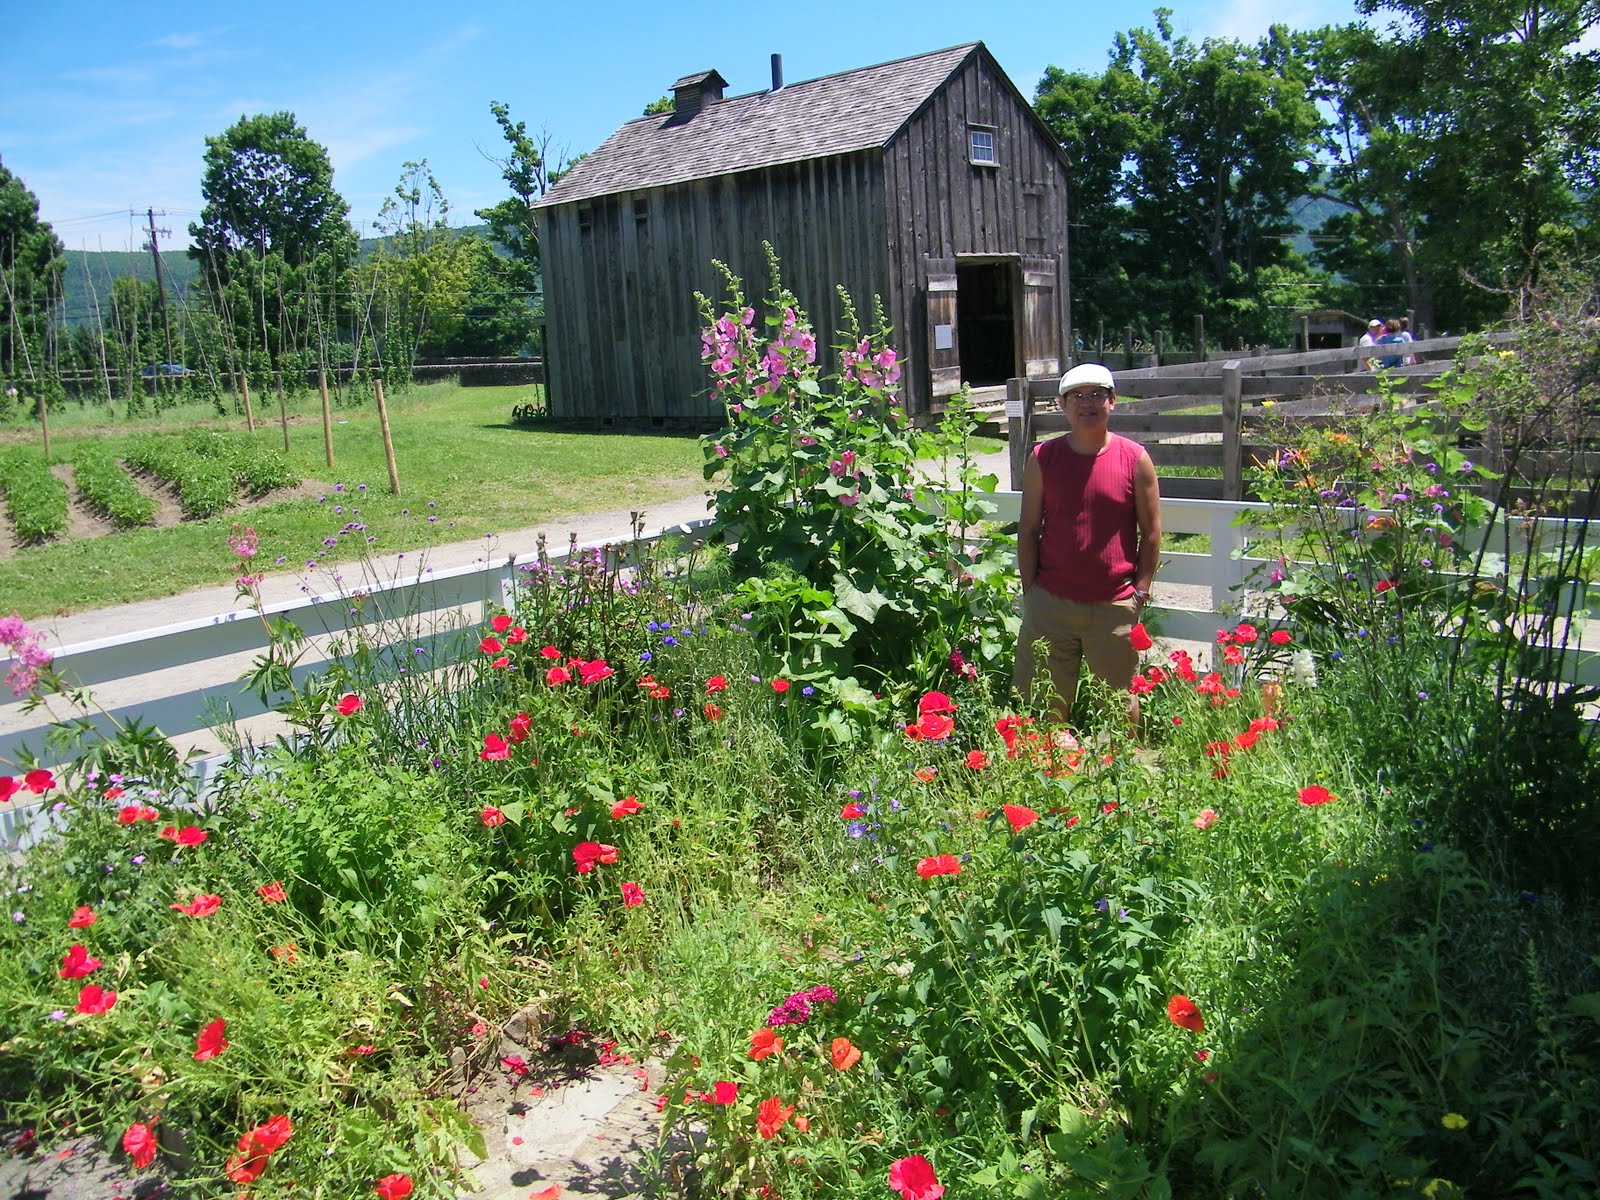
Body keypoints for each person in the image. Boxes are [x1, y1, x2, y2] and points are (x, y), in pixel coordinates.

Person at [1015, 363, 1162, 727]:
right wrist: (1031, 590)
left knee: (1118, 703)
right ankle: (1049, 767)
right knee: (1043, 703)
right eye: (1077, 396)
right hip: (1051, 602)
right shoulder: (1043, 458)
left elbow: (1153, 532)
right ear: (1062, 405)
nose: (1087, 403)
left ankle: (1122, 772)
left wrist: (1139, 592)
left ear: (1112, 402)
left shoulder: (1134, 458)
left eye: (1097, 395)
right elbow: (1029, 528)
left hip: (1112, 606)